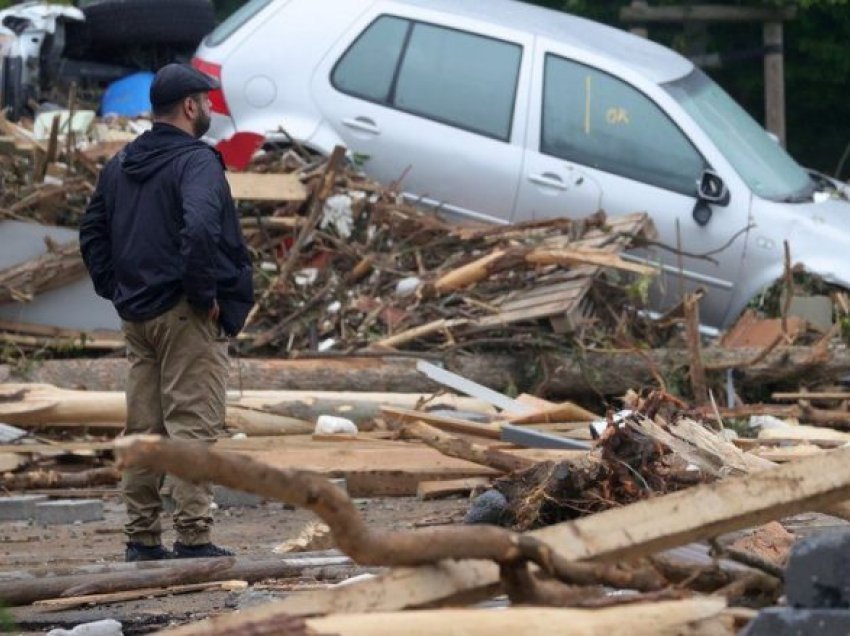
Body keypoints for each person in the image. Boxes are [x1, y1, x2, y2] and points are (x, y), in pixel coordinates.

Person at [80, 64, 254, 562]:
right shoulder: (196, 162)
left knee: (144, 430)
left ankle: (141, 538)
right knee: (191, 425)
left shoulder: (121, 162)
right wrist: (204, 295)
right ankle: (194, 537)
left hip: (138, 315)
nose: (213, 109)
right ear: (190, 106)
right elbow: (200, 228)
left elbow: (91, 230)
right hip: (183, 313)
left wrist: (117, 288)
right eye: (208, 101)